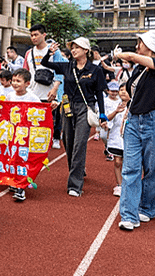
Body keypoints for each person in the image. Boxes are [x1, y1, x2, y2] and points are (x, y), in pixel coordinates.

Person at [115, 30, 155, 231]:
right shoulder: (139, 69)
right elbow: (133, 95)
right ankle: (129, 215)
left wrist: (119, 55)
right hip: (134, 121)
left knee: (153, 170)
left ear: (150, 45)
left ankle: (147, 208)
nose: (137, 45)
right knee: (130, 169)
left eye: (140, 42)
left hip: (154, 122)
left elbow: (130, 56)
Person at [42, 37, 107, 197]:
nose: (73, 50)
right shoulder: (67, 66)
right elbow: (45, 64)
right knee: (68, 143)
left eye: (77, 47)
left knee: (79, 144)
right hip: (67, 106)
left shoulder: (95, 69)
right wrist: (49, 53)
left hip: (85, 108)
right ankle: (78, 168)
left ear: (86, 50)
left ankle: (75, 185)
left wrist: (102, 113)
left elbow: (99, 93)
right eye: (72, 47)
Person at [2, 68, 42, 201]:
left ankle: (21, 187)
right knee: (12, 157)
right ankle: (14, 181)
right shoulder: (10, 96)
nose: (15, 83)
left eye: (18, 81)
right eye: (13, 80)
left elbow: (41, 112)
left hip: (25, 135)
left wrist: (50, 107)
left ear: (27, 84)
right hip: (12, 134)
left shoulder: (33, 98)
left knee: (23, 159)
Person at [106, 83, 129, 197]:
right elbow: (107, 119)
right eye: (121, 90)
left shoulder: (135, 105)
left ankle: (128, 184)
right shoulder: (115, 104)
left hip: (129, 139)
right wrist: (116, 111)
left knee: (128, 163)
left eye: (126, 90)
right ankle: (119, 185)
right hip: (116, 137)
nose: (123, 92)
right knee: (117, 161)